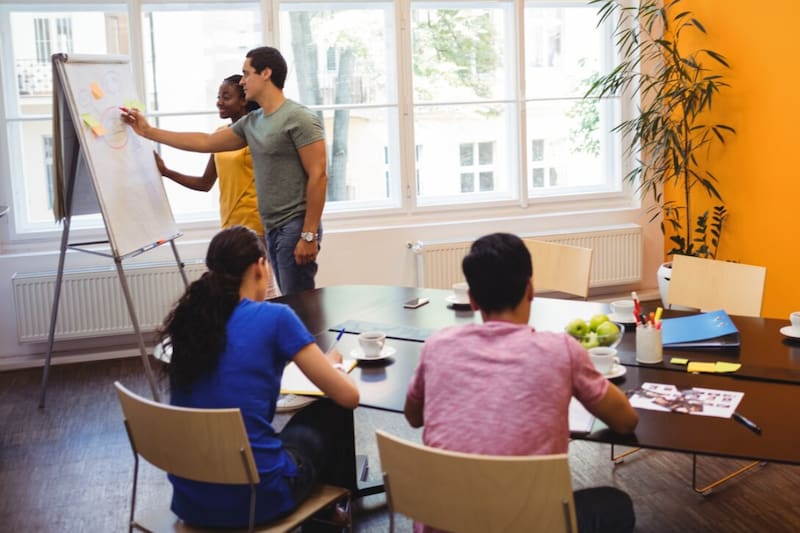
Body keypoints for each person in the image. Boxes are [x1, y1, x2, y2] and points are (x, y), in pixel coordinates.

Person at [404, 232, 638, 533]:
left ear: (473, 300)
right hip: (531, 524)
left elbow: (413, 417)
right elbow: (626, 421)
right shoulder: (561, 350)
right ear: (530, 289)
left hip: (446, 522)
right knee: (616, 505)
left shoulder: (437, 346)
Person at [158, 225, 358, 528]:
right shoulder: (275, 318)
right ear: (260, 267)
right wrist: (333, 368)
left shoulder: (191, 321)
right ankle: (326, 519)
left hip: (191, 500)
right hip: (257, 498)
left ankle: (327, 514)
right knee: (333, 409)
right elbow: (349, 396)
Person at [122, 46, 326, 295]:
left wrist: (308, 235)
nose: (242, 81)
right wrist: (148, 132)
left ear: (266, 73)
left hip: (294, 226)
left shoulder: (299, 118)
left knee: (299, 303)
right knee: (288, 302)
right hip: (272, 227)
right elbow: (206, 142)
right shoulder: (253, 122)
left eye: (246, 73)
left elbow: (319, 175)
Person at [155, 74, 277, 298]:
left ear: (243, 100)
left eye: (226, 96)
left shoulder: (259, 133)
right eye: (218, 96)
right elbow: (204, 183)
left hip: (257, 226)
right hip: (231, 227)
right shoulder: (222, 136)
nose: (219, 101)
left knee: (264, 293)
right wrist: (166, 172)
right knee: (237, 295)